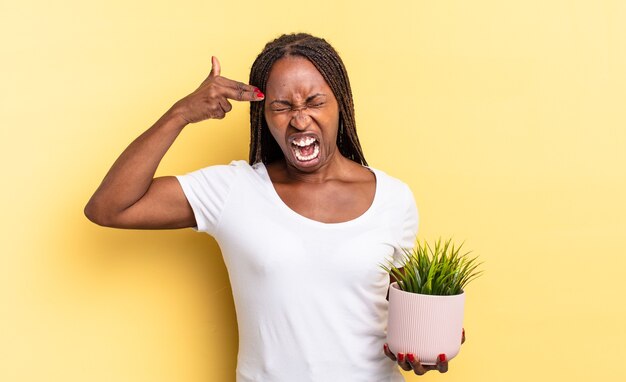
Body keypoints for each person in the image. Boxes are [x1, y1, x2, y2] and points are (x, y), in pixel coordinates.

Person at [85, 33, 463, 381]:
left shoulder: (394, 199)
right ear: (263, 117)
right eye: (282, 106)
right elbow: (109, 208)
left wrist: (420, 347)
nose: (299, 119)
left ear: (341, 104)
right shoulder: (234, 190)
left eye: (315, 102)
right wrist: (180, 113)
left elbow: (403, 311)